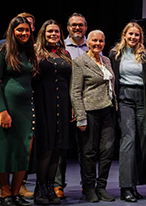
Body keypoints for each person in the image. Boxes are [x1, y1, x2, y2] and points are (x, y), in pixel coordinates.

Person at [0, 16, 38, 206]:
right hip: (6, 106)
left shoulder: (28, 51)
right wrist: (3, 111)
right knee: (4, 151)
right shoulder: (3, 49)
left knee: (23, 149)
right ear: (12, 31)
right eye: (19, 30)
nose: (24, 33)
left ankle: (15, 194)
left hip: (24, 108)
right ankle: (5, 194)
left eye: (27, 30)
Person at [70, 30, 117, 203]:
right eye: (94, 41)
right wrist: (80, 116)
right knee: (88, 152)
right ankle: (88, 188)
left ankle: (101, 186)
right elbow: (75, 92)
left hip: (108, 110)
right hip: (90, 112)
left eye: (101, 41)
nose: (98, 44)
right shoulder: (80, 62)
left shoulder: (106, 60)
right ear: (88, 42)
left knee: (107, 150)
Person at [32, 20, 73, 205]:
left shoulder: (65, 54)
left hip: (63, 104)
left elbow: (71, 81)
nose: (53, 34)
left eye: (56, 31)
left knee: (58, 147)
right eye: (50, 31)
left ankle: (50, 187)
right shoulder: (36, 52)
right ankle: (39, 188)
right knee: (46, 146)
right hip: (43, 102)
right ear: (43, 33)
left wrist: (72, 105)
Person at [109, 22, 146, 202]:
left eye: (137, 35)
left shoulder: (145, 55)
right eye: (130, 34)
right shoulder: (114, 54)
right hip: (124, 96)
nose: (133, 38)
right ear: (124, 35)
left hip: (142, 97)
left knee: (142, 140)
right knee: (129, 139)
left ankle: (135, 184)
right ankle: (125, 186)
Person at [54, 12, 89, 200]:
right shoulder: (59, 48)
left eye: (81, 25)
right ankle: (58, 185)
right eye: (74, 25)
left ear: (86, 28)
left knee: (86, 147)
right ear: (67, 28)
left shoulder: (91, 47)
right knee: (61, 147)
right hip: (64, 102)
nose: (77, 28)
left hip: (87, 103)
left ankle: (87, 184)